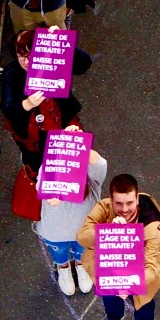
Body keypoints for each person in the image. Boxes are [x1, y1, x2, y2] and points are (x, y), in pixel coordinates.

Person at [78, 173, 160, 320]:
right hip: (109, 271)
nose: (124, 209)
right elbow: (82, 237)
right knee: (110, 300)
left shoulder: (151, 226)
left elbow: (152, 266)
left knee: (144, 307)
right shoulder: (104, 207)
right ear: (111, 200)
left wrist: (129, 284)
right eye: (118, 203)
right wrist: (108, 230)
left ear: (137, 199)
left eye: (129, 203)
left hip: (139, 276)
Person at [0, 27, 86, 172]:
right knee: (34, 159)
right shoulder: (12, 72)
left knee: (67, 158)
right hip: (32, 130)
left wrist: (64, 45)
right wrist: (26, 104)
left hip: (60, 119)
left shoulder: (54, 60)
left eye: (30, 54)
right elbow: (7, 107)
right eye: (21, 55)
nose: (27, 61)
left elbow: (83, 65)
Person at [35, 125, 105, 296]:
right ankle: (64, 268)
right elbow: (41, 186)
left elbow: (98, 162)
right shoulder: (49, 168)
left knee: (83, 252)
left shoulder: (93, 173)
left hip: (84, 231)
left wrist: (78, 143)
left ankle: (81, 266)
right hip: (55, 231)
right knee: (59, 253)